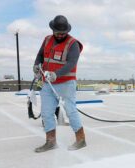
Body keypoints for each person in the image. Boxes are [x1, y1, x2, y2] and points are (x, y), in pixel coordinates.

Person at [33, 15, 86, 153]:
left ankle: (81, 140)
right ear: (53, 30)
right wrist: (36, 66)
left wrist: (57, 74)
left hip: (66, 84)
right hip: (47, 84)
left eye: (64, 33)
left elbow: (71, 63)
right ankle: (50, 142)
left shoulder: (73, 43)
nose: (61, 35)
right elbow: (40, 55)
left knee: (70, 111)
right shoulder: (47, 40)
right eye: (58, 32)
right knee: (46, 112)